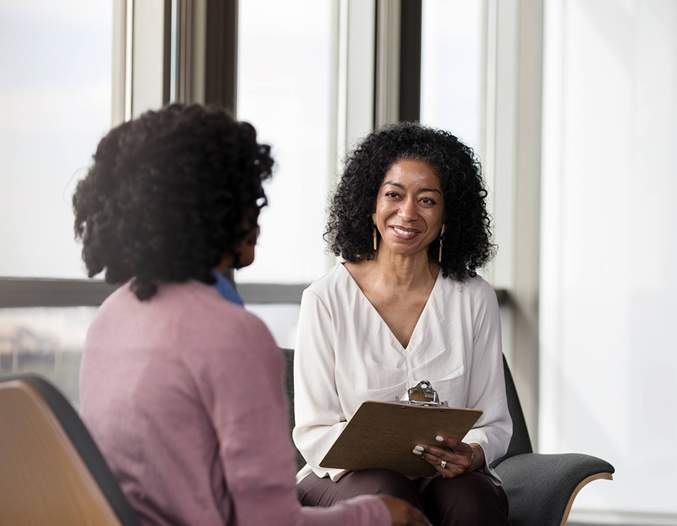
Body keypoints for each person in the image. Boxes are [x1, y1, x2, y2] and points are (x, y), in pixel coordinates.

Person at [73, 104, 427, 526]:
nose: (259, 209)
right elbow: (270, 522)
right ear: (215, 209)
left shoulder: (112, 318)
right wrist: (383, 515)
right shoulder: (232, 336)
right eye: (248, 195)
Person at [293, 122, 513, 526]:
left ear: (449, 212)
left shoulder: (474, 299)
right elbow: (312, 429)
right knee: (386, 492)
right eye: (393, 195)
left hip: (442, 476)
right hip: (344, 480)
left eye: (427, 200)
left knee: (472, 498)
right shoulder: (325, 299)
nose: (408, 213)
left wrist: (473, 452)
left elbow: (494, 421)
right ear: (371, 203)